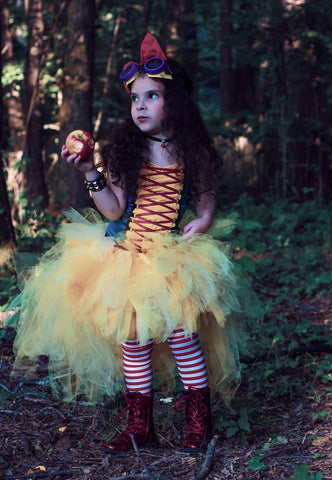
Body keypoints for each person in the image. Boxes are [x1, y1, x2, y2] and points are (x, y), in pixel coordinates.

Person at [12, 32, 242, 453]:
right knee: (132, 342)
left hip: (171, 260)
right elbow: (115, 210)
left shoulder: (192, 152)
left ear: (175, 102)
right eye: (135, 98)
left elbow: (205, 195)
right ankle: (140, 426)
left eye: (152, 96)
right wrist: (89, 171)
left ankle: (198, 424)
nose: (140, 105)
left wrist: (205, 217)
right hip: (126, 257)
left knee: (180, 335)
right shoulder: (125, 152)